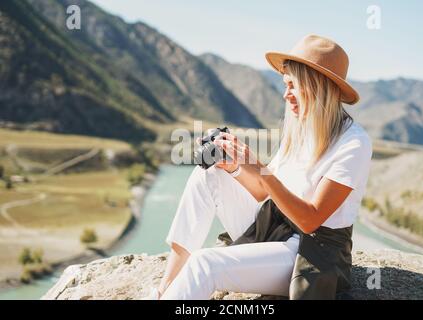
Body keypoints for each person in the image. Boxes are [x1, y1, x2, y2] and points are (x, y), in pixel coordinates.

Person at [151, 34, 372, 300]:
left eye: (293, 86)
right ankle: (167, 286)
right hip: (276, 228)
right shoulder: (302, 130)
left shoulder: (354, 143)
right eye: (285, 85)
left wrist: (261, 169)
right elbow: (265, 195)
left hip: (312, 250)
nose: (285, 95)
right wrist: (236, 167)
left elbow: (310, 220)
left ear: (317, 87)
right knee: (208, 174)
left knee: (205, 264)